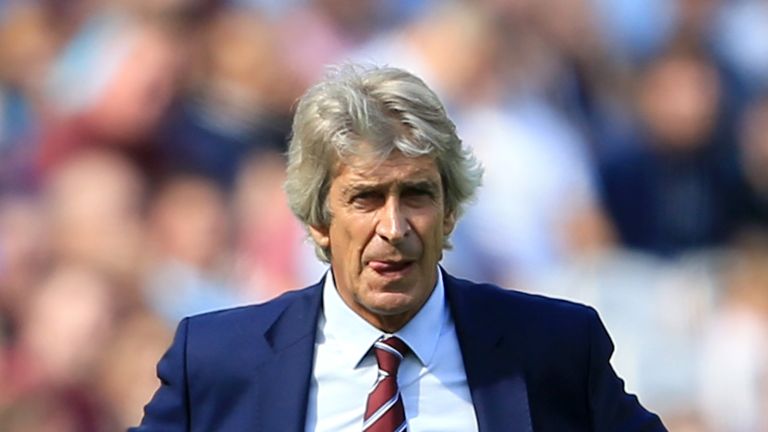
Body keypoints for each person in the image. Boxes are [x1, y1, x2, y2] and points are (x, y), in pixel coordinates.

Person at [132, 65, 667, 431]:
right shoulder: (217, 360)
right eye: (365, 198)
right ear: (319, 219)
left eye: (416, 195)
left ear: (450, 210)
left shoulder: (554, 348)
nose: (393, 226)